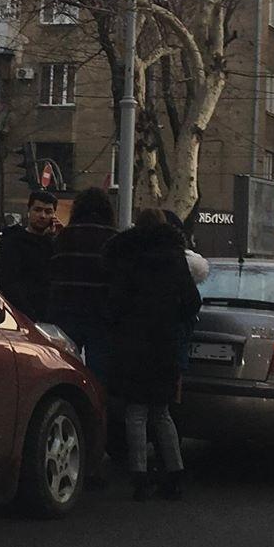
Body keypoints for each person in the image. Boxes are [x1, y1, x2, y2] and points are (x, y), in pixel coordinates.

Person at [102, 208, 201, 500]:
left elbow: (114, 302)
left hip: (132, 343)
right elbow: (192, 302)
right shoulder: (175, 258)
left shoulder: (127, 257)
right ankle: (174, 473)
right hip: (165, 342)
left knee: (135, 412)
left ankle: (140, 476)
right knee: (161, 411)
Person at [45, 187, 117, 359]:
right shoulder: (113, 239)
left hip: (67, 312)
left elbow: (53, 275)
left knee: (67, 363)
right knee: (99, 368)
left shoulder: (64, 238)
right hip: (101, 315)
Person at [0, 188, 60, 320]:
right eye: (37, 210)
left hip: (50, 317)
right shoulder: (12, 242)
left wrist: (59, 238)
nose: (42, 216)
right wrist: (30, 315)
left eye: (48, 212)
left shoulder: (54, 244)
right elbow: (9, 283)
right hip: (22, 317)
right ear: (29, 211)